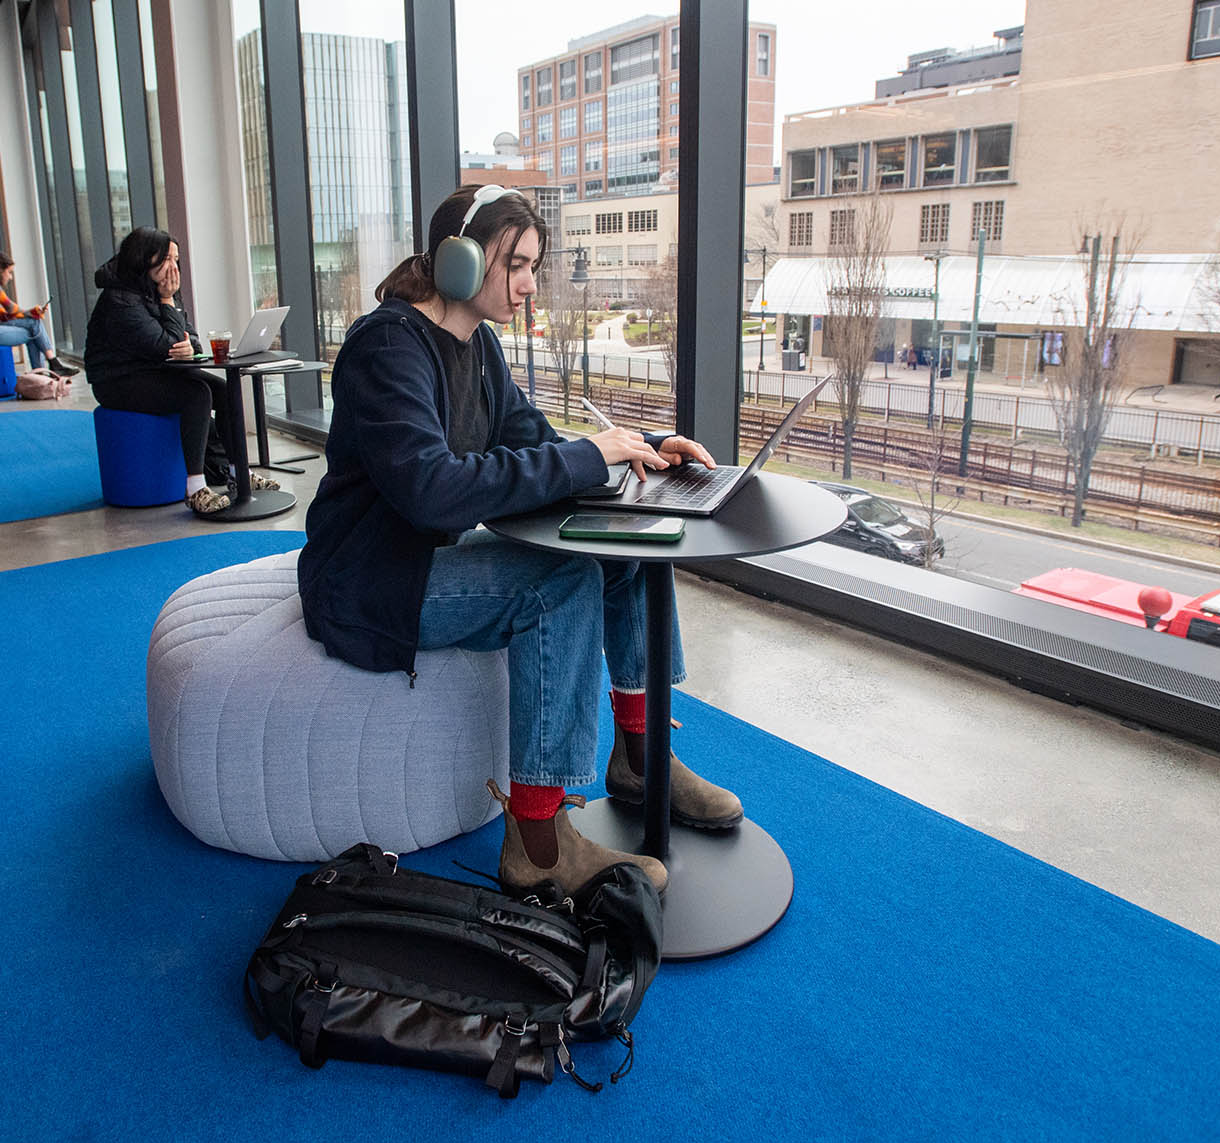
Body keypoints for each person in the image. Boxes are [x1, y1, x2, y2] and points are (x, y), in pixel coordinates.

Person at [298, 184, 743, 896]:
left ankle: (640, 757)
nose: (529, 284)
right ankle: (537, 844)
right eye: (516, 264)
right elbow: (430, 488)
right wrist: (588, 456)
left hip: (427, 562)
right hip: (371, 580)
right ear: (459, 262)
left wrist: (641, 448)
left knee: (622, 551)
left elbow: (533, 443)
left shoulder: (478, 346)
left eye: (533, 264)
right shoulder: (385, 346)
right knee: (559, 582)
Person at [84, 227, 276, 516]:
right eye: (167, 260)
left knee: (222, 390)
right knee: (195, 394)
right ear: (145, 259)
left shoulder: (161, 290)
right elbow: (164, 344)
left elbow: (190, 338)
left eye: (176, 259)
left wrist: (186, 344)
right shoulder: (120, 300)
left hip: (154, 370)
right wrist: (168, 307)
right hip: (117, 379)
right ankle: (195, 487)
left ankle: (238, 473)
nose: (174, 268)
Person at [0, 252, 78, 378]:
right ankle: (48, 368)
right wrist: (31, 312)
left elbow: (4, 316)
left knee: (33, 323)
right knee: (34, 333)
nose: (10, 277)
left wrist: (30, 315)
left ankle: (46, 370)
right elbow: (11, 309)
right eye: (9, 272)